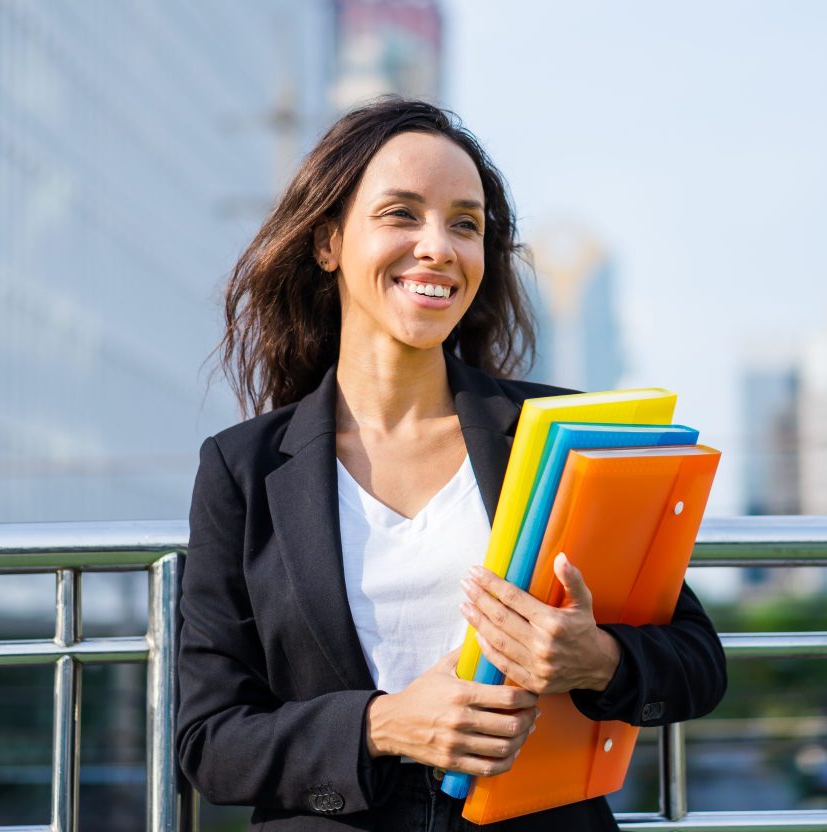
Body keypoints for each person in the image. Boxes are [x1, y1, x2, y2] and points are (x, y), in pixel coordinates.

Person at [174, 97, 727, 830]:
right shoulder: (241, 471)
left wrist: (596, 660)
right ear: (329, 241)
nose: (438, 246)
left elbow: (697, 664)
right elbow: (210, 742)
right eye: (402, 214)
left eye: (464, 224)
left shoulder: (566, 436)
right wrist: (384, 725)